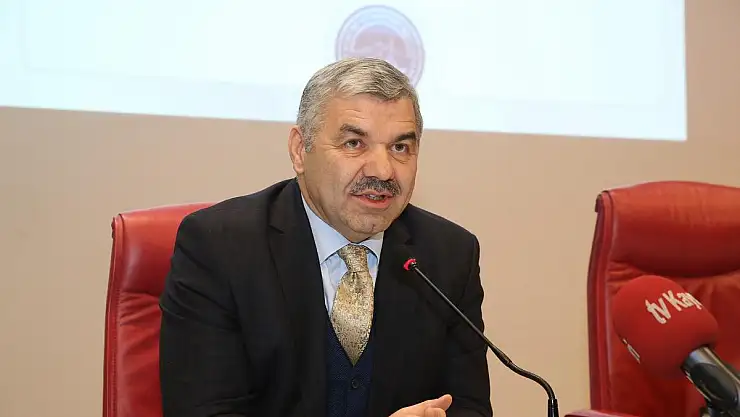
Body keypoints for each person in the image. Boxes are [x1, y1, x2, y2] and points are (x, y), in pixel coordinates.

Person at [159, 57, 492, 417]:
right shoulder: (219, 248)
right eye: (354, 143)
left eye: (400, 148)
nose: (382, 170)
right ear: (300, 150)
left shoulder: (448, 255)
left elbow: (468, 407)